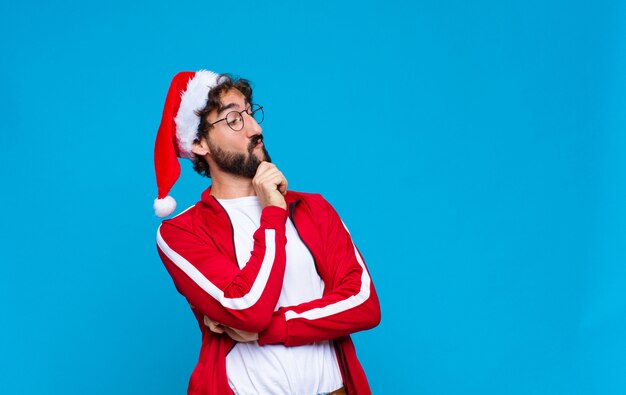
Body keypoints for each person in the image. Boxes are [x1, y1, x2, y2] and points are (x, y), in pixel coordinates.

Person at [153, 70, 381, 395]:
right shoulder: (182, 233)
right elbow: (249, 309)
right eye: (234, 119)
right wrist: (273, 213)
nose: (255, 128)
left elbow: (363, 304)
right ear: (199, 142)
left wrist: (270, 329)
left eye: (249, 112)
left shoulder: (313, 209)